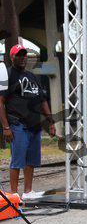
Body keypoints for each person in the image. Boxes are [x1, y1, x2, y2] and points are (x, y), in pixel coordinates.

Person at [0, 44, 55, 200]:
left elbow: (42, 100)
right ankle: (13, 194)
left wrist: (51, 122)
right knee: (17, 160)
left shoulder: (32, 76)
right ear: (12, 57)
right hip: (18, 124)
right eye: (18, 55)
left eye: (24, 55)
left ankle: (28, 191)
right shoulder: (7, 75)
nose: (22, 58)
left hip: (34, 125)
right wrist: (6, 127)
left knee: (31, 160)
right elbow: (1, 102)